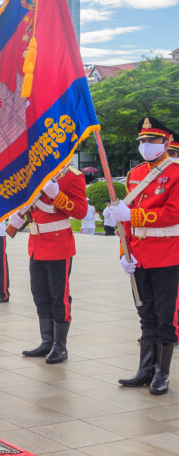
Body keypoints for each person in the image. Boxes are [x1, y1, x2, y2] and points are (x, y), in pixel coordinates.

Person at [110, 117, 179, 395]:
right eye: (143, 141)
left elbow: (173, 213)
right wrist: (123, 253)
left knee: (165, 317)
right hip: (139, 255)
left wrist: (133, 214)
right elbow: (125, 223)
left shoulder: (175, 173)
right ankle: (145, 370)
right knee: (145, 314)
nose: (146, 145)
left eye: (152, 140)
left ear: (165, 142)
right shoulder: (135, 174)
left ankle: (162, 374)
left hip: (167, 255)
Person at [9, 165, 87, 364]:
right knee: (40, 295)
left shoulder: (72, 177)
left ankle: (60, 346)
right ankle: (47, 341)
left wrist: (57, 195)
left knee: (58, 297)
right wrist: (19, 216)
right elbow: (33, 208)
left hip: (59, 245)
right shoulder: (35, 173)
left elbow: (80, 212)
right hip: (36, 244)